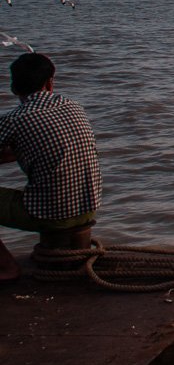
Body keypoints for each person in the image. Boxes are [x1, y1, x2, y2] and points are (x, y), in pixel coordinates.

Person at [1, 53, 102, 282]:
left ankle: (6, 268)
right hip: (89, 206)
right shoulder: (74, 107)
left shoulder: (15, 119)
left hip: (53, 214)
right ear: (49, 83)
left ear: (14, 88)